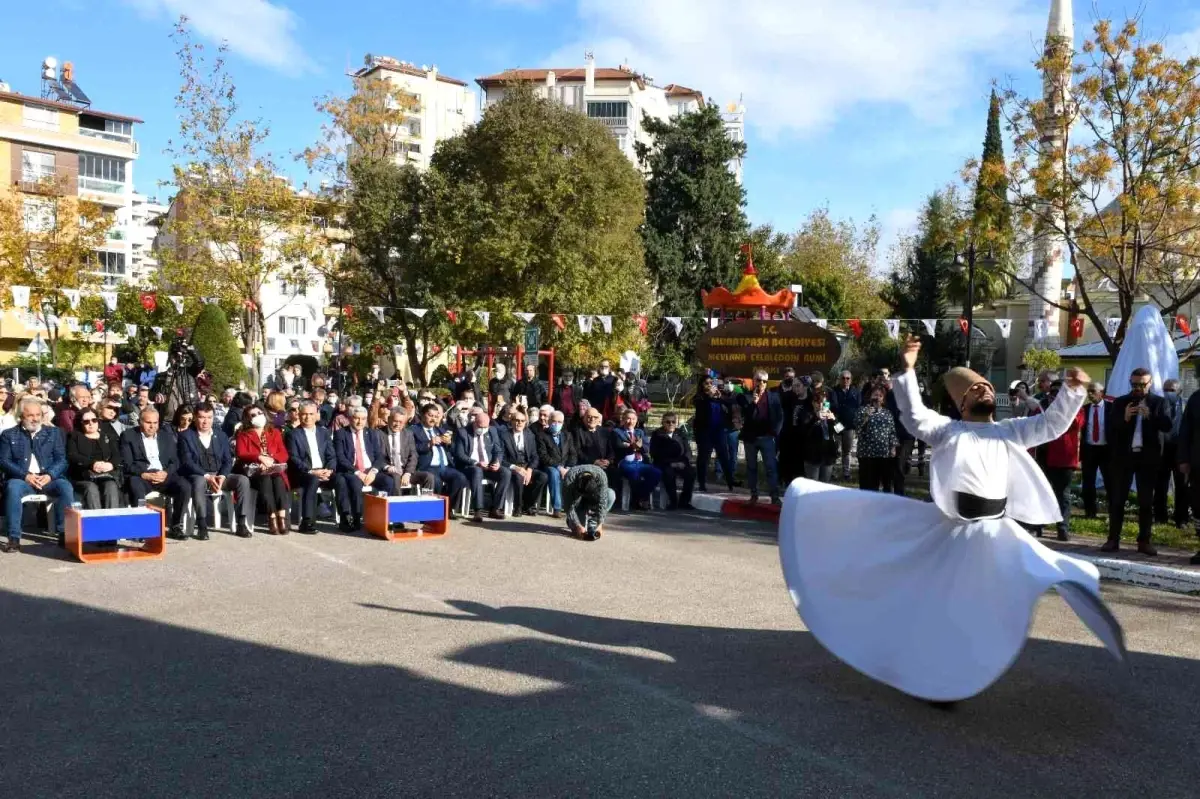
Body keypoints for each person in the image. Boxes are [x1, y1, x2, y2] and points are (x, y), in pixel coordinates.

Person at [778, 335, 1125, 705]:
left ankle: (972, 662)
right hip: (955, 532)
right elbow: (913, 416)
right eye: (975, 389)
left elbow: (1051, 426)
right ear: (962, 403)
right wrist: (908, 370)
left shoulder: (1010, 431)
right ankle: (937, 677)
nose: (983, 391)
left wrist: (1072, 392)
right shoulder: (949, 431)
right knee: (944, 609)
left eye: (986, 387)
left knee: (1033, 582)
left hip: (997, 530)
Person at [1104, 367, 1171, 555]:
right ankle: (1113, 539)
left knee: (1145, 502)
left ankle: (1144, 541)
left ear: (1150, 384)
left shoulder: (1159, 403)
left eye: (1142, 384)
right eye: (1134, 384)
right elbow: (1110, 429)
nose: (1138, 388)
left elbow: (1168, 426)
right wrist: (1124, 417)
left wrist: (1151, 415)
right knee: (1117, 500)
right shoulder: (1120, 402)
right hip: (1124, 458)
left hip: (1147, 459)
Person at [0, 397, 74, 552]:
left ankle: (65, 533)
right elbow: (4, 461)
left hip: (48, 478)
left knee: (65, 487)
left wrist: (50, 475)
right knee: (13, 488)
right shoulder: (9, 434)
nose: (35, 419)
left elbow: (62, 460)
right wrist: (25, 475)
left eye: (38, 415)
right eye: (30, 415)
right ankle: (14, 538)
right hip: (22, 479)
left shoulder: (53, 433)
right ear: (21, 416)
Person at [179, 403, 254, 539]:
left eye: (209, 417)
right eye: (202, 417)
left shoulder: (221, 435)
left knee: (242, 480)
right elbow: (187, 462)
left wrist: (223, 476)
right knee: (199, 481)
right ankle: (202, 525)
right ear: (195, 418)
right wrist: (207, 476)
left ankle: (241, 523)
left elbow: (227, 460)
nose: (205, 421)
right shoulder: (186, 436)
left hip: (219, 476)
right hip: (199, 475)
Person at [120, 407, 191, 540]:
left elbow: (174, 461)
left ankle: (176, 526)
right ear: (140, 422)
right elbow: (127, 463)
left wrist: (166, 473)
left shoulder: (166, 436)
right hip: (143, 475)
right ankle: (140, 528)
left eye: (155, 423)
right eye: (148, 422)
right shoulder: (129, 436)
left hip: (162, 474)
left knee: (184, 486)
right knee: (135, 484)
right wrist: (143, 474)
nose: (152, 426)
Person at [332, 406, 391, 532]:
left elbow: (379, 457)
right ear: (349, 418)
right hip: (351, 470)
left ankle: (386, 518)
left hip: (370, 469)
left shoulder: (371, 433)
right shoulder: (341, 434)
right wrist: (358, 472)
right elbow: (340, 458)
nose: (360, 422)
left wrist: (374, 472)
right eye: (356, 418)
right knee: (354, 482)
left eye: (363, 419)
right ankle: (356, 517)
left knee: (388, 481)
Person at [235, 406, 291, 536]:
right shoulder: (243, 434)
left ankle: (281, 517)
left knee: (278, 479)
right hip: (254, 471)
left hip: (274, 468)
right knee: (265, 479)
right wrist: (259, 458)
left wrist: (272, 460)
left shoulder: (274, 432)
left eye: (260, 413)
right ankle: (271, 518)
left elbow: (283, 453)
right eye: (253, 415)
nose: (258, 416)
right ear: (248, 419)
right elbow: (241, 453)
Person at [1040, 380, 1084, 542]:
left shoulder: (1075, 407)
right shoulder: (1043, 405)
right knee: (1042, 490)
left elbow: (1075, 423)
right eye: (1052, 392)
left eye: (1058, 392)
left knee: (1063, 494)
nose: (1054, 395)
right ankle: (1039, 524)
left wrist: (1061, 406)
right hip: (1043, 454)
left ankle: (1062, 528)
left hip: (1064, 457)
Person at [286, 400, 337, 533]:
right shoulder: (293, 434)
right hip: (303, 473)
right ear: (299, 414)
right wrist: (311, 472)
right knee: (312, 480)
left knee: (343, 479)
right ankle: (307, 521)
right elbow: (293, 458)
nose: (307, 417)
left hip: (324, 471)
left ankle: (348, 518)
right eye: (304, 414)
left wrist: (329, 470)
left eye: (311, 414)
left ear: (317, 415)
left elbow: (331, 455)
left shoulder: (324, 433)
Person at [736, 370, 784, 504]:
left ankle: (774, 496)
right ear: (753, 380)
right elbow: (747, 415)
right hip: (750, 438)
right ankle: (753, 494)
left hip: (767, 437)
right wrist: (754, 402)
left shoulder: (773, 397)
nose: (761, 383)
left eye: (764, 381)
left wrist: (775, 432)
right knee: (751, 467)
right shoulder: (745, 396)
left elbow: (780, 416)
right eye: (758, 380)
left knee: (771, 466)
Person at [453, 412, 512, 523]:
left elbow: (498, 450)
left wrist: (497, 462)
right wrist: (476, 462)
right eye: (480, 427)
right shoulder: (463, 432)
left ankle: (495, 508)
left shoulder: (492, 430)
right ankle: (478, 510)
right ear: (474, 423)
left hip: (488, 465)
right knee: (477, 471)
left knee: (506, 473)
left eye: (485, 427)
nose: (483, 429)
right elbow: (459, 455)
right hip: (469, 467)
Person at [411, 403, 468, 513]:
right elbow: (412, 449)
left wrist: (450, 443)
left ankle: (447, 508)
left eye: (436, 416)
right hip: (428, 466)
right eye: (430, 415)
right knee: (436, 481)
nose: (433, 419)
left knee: (460, 478)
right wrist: (429, 444)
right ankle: (434, 510)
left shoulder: (440, 430)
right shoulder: (414, 430)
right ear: (422, 415)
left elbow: (453, 449)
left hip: (445, 466)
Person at [67, 408, 122, 510]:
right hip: (84, 476)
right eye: (86, 421)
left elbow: (117, 456)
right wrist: (92, 464)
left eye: (94, 420)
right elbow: (72, 456)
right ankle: (96, 521)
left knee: (111, 486)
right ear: (81, 423)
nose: (91, 423)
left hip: (106, 474)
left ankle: (112, 520)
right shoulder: (74, 437)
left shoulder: (107, 437)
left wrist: (110, 465)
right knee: (91, 488)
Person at [500, 408, 547, 516]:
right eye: (516, 420)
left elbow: (535, 456)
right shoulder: (504, 435)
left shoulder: (530, 436)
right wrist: (515, 468)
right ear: (511, 421)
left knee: (542, 477)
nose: (519, 423)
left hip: (526, 466)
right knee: (518, 477)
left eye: (522, 421)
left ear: (525, 422)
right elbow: (501, 458)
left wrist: (530, 469)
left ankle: (528, 505)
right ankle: (518, 507)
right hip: (511, 467)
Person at [612, 408, 661, 510]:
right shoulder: (617, 432)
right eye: (628, 419)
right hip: (625, 462)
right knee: (634, 474)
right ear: (623, 419)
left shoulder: (639, 432)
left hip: (640, 462)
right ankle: (640, 500)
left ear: (637, 420)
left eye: (633, 419)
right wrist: (633, 446)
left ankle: (640, 498)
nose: (631, 421)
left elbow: (647, 447)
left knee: (656, 472)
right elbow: (618, 447)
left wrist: (631, 445)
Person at [693, 376, 735, 493]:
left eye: (711, 382)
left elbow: (730, 402)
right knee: (703, 458)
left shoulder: (718, 396)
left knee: (724, 456)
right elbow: (700, 407)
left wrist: (720, 396)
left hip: (718, 431)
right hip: (704, 432)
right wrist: (708, 396)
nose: (710, 385)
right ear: (702, 385)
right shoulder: (699, 397)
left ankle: (730, 482)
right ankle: (701, 483)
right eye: (707, 383)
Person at [1155, 378, 1187, 527]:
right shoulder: (1159, 404)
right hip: (1163, 449)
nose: (1168, 393)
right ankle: (1160, 517)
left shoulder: (1187, 405)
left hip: (1181, 450)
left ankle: (1181, 518)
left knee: (1182, 485)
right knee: (1161, 484)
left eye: (1172, 390)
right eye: (1165, 390)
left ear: (1179, 391)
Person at [380, 408, 436, 495]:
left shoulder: (408, 434)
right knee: (396, 477)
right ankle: (398, 506)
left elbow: (413, 455)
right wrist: (387, 467)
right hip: (388, 471)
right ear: (388, 419)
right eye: (395, 421)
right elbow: (377, 456)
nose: (397, 424)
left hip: (405, 470)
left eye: (401, 422)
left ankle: (426, 505)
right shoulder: (379, 434)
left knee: (429, 477)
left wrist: (408, 473)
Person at [855, 384, 897, 492]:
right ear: (870, 397)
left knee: (885, 483)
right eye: (875, 395)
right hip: (866, 453)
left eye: (880, 396)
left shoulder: (888, 413)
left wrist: (893, 447)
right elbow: (858, 429)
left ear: (883, 399)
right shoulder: (862, 410)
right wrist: (866, 416)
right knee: (867, 484)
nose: (877, 398)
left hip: (883, 453)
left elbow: (892, 431)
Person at [650, 412, 695, 510]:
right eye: (668, 422)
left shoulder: (680, 433)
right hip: (665, 463)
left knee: (691, 473)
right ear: (663, 423)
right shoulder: (657, 434)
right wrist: (671, 463)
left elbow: (688, 450)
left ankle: (684, 502)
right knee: (669, 473)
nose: (671, 424)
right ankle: (673, 501)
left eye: (673, 422)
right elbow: (655, 453)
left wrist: (684, 462)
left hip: (681, 462)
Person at [535, 410, 576, 518]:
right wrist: (559, 467)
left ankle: (573, 507)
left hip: (566, 467)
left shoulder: (567, 435)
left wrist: (568, 467)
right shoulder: (541, 436)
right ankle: (557, 508)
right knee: (554, 473)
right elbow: (543, 456)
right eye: (554, 421)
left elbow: (573, 454)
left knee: (577, 473)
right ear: (548, 421)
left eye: (559, 422)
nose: (556, 424)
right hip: (549, 466)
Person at [882, 371, 917, 496]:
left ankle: (899, 495)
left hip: (905, 436)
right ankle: (887, 494)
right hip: (890, 435)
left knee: (898, 465)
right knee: (888, 466)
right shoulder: (889, 396)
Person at [1079, 382, 1109, 519]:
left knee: (1110, 482)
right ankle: (1090, 512)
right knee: (1088, 482)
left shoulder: (1111, 408)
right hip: (1089, 449)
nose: (1090, 394)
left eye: (1093, 391)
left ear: (1101, 392)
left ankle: (1112, 512)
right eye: (1088, 391)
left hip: (1106, 449)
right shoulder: (1084, 409)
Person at [798, 385, 839, 483]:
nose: (821, 406)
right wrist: (815, 418)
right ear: (813, 403)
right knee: (812, 486)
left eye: (824, 403)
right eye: (818, 403)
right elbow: (803, 431)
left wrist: (834, 420)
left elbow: (840, 431)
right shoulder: (807, 414)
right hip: (813, 457)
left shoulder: (830, 415)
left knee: (824, 486)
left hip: (828, 455)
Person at [562, 465, 615, 541]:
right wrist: (578, 525)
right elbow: (568, 506)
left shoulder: (601, 475)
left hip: (593, 499)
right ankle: (571, 521)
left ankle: (593, 523)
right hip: (577, 500)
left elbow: (603, 502)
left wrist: (600, 523)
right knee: (578, 530)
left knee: (610, 494)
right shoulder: (569, 479)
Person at [831, 370, 861, 480]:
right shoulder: (834, 391)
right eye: (843, 378)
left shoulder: (856, 392)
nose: (845, 380)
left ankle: (846, 473)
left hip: (850, 426)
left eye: (847, 378)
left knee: (847, 451)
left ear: (851, 380)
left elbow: (859, 407)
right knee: (835, 449)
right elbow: (833, 407)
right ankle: (832, 472)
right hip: (837, 424)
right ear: (839, 379)